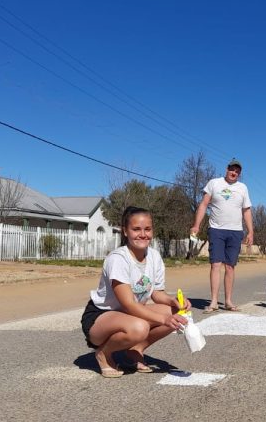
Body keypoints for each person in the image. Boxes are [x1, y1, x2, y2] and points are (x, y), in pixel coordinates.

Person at [80, 206, 190, 378]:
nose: (143, 234)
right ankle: (104, 353)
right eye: (136, 229)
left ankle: (134, 350)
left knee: (178, 312)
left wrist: (173, 301)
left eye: (147, 229)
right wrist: (164, 319)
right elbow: (129, 304)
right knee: (140, 327)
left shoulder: (154, 256)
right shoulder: (118, 259)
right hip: (101, 317)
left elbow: (156, 293)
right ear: (125, 231)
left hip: (129, 315)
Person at [190, 157, 254, 313]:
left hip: (235, 231)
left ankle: (228, 301)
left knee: (230, 267)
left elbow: (246, 210)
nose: (234, 172)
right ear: (227, 169)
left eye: (237, 171)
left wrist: (251, 231)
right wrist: (196, 225)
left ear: (239, 173)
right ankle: (213, 302)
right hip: (216, 229)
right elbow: (204, 204)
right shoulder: (214, 183)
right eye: (232, 169)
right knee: (216, 265)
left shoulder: (243, 188)